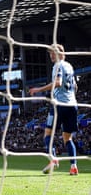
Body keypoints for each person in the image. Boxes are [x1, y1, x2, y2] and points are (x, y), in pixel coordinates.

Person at [29, 44, 79, 175]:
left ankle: (54, 159)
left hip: (59, 106)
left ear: (61, 54)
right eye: (50, 53)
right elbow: (75, 86)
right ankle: (73, 166)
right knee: (67, 139)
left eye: (53, 52)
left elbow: (57, 82)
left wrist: (38, 90)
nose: (51, 55)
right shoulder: (69, 66)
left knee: (48, 135)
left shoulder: (58, 66)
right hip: (72, 105)